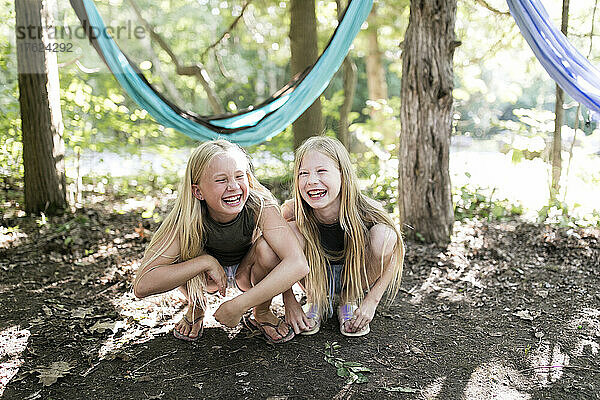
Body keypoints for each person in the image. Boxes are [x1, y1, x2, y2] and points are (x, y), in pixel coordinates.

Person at [133, 139, 308, 343]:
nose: (233, 187)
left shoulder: (259, 204)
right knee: (185, 249)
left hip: (248, 272)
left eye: (239, 176)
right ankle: (196, 304)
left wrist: (241, 305)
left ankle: (261, 311)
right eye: (221, 180)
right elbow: (142, 285)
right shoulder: (185, 220)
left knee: (268, 248)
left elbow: (297, 263)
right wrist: (205, 262)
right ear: (198, 191)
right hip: (205, 279)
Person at [281, 136, 404, 337]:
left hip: (355, 277)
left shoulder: (366, 211)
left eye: (321, 171)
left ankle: (348, 300)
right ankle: (316, 300)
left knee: (385, 235)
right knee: (289, 232)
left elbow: (397, 252)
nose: (312, 180)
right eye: (303, 173)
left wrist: (371, 301)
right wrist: (290, 301)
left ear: (342, 174)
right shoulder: (293, 211)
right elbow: (278, 258)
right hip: (313, 278)